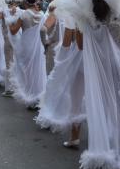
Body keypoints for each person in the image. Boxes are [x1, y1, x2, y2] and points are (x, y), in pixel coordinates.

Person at [77, 0, 120, 169]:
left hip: (98, 70)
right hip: (117, 67)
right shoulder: (118, 16)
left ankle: (105, 147)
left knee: (102, 107)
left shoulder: (86, 19)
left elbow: (80, 45)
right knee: (118, 106)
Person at [35, 17, 85, 147]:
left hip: (78, 59)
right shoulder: (110, 13)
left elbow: (69, 41)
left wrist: (61, 60)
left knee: (77, 99)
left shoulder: (75, 13)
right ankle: (104, 139)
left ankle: (75, 137)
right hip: (100, 60)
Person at [9, 0, 46, 108]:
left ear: (25, 3)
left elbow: (14, 31)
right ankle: (39, 97)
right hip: (38, 45)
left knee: (27, 72)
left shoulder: (24, 15)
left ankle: (30, 97)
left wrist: (10, 21)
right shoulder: (42, 14)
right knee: (38, 70)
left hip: (26, 46)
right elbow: (44, 31)